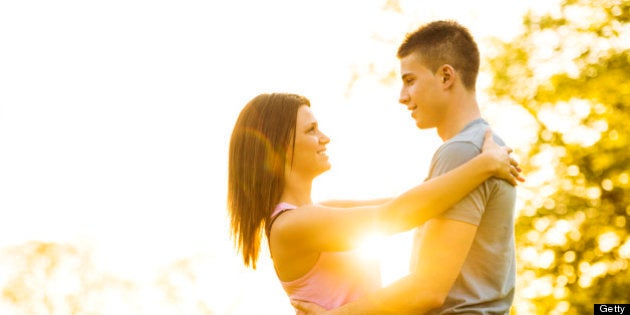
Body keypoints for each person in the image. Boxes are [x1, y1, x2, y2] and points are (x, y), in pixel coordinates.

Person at [293, 20, 520, 314]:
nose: (402, 97)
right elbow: (401, 207)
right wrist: (307, 212)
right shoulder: (481, 148)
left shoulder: (462, 151)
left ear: (446, 76)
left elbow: (427, 290)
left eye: (410, 80)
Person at [228, 92, 523, 311]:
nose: (325, 137)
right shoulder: (292, 225)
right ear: (279, 148)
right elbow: (396, 215)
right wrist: (484, 165)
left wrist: (471, 167)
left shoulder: (322, 212)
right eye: (311, 130)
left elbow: (417, 203)